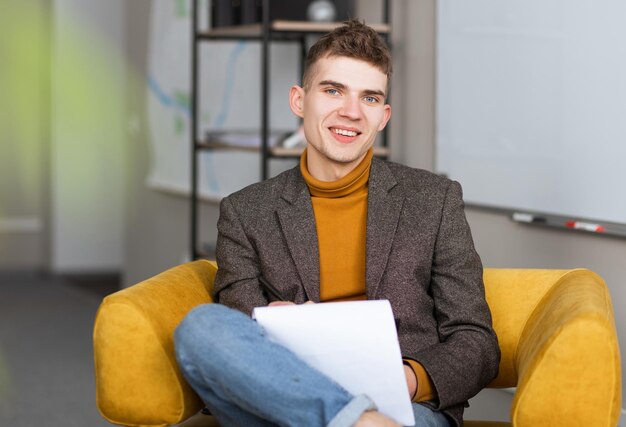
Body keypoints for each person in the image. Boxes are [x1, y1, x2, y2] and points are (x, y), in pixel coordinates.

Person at [174, 19, 500, 427]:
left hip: (400, 406)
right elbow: (240, 334)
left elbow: (477, 342)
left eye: (369, 98)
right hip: (292, 389)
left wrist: (409, 380)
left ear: (383, 117)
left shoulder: (433, 201)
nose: (350, 112)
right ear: (299, 100)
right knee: (202, 327)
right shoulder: (245, 212)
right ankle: (356, 422)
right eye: (333, 91)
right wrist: (284, 323)